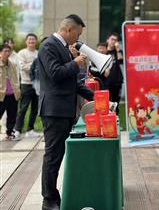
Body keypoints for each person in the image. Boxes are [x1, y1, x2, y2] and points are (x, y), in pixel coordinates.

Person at [38, 14, 94, 210]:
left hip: (65, 110)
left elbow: (72, 81)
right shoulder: (48, 46)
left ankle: (54, 195)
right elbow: (56, 74)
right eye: (77, 34)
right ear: (68, 30)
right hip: (54, 111)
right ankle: (49, 199)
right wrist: (76, 63)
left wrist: (95, 96)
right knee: (52, 156)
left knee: (59, 154)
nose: (77, 40)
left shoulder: (62, 47)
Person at [13, 33, 40, 138]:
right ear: (26, 41)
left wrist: (32, 66)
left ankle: (30, 129)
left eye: (33, 40)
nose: (31, 41)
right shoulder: (22, 53)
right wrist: (34, 65)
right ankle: (17, 129)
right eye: (29, 40)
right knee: (23, 108)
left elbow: (41, 67)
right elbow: (22, 67)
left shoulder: (38, 53)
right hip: (26, 83)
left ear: (35, 41)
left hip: (37, 84)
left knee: (34, 108)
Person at [0, 45, 20, 141]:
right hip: (1, 94)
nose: (7, 53)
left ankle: (9, 133)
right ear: (0, 52)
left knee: (12, 115)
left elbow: (15, 77)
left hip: (12, 94)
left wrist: (18, 89)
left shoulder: (12, 64)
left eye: (9, 51)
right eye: (5, 51)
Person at [106, 32, 123, 114]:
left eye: (115, 40)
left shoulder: (118, 52)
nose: (113, 41)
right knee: (107, 103)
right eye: (112, 39)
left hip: (117, 81)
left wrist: (117, 49)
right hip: (107, 82)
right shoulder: (104, 52)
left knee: (116, 104)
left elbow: (121, 61)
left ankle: (116, 121)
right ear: (108, 40)